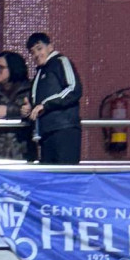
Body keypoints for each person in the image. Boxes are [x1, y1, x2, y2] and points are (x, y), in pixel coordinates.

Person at [26, 30, 82, 166]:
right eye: (32, 52)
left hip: (64, 129)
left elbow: (73, 88)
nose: (36, 55)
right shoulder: (40, 72)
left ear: (50, 47)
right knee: (49, 174)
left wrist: (45, 105)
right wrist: (29, 109)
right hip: (46, 132)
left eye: (39, 49)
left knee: (65, 173)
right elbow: (37, 102)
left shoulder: (60, 61)